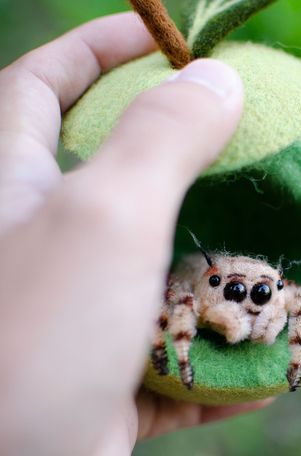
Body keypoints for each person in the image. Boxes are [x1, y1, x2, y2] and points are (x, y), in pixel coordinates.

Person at [0, 12, 272, 456]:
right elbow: (178, 302)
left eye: (263, 293)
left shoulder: (272, 296)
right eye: (240, 290)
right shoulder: (194, 290)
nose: (249, 303)